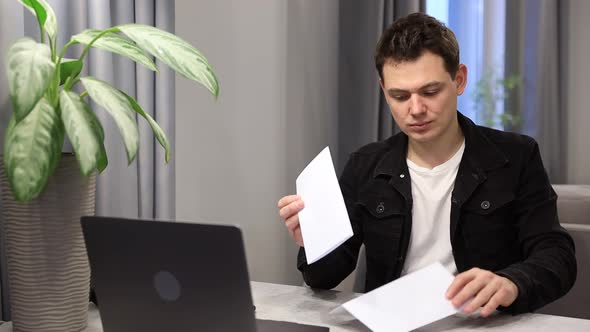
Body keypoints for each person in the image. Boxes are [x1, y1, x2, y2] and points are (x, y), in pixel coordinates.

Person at [277, 12, 576, 317]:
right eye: (400, 96)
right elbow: (322, 278)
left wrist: (511, 283)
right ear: (384, 90)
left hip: (483, 322)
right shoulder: (365, 166)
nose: (416, 109)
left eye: (430, 92)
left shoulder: (516, 157)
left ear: (458, 80)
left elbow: (557, 256)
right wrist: (315, 241)